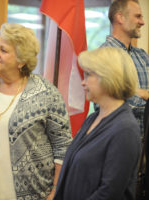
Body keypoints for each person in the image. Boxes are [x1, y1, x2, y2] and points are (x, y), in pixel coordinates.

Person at [0, 23, 72, 200]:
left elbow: (63, 147)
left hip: (36, 194)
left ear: (21, 60)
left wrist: (56, 190)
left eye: (3, 50)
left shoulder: (47, 93)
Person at [54, 47, 141, 200]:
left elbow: (109, 192)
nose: (82, 82)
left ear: (108, 77)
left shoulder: (125, 129)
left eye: (88, 75)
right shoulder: (92, 119)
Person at [101, 0, 149, 138]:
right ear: (120, 17)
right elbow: (109, 106)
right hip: (118, 143)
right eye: (138, 16)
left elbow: (124, 102)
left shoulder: (142, 56)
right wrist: (145, 96)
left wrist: (136, 94)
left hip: (142, 147)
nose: (142, 22)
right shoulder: (104, 55)